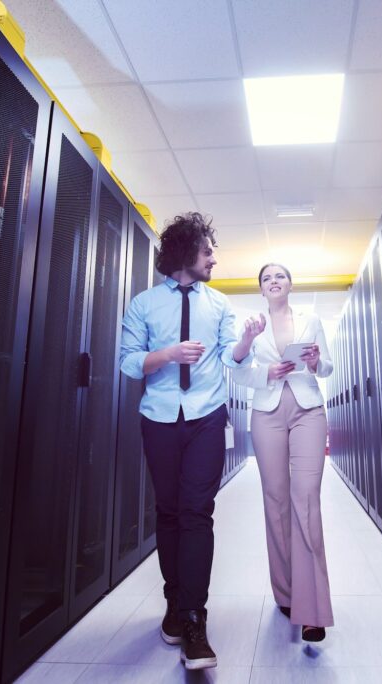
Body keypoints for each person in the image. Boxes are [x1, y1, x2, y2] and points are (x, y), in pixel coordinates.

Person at [119, 213, 264, 670]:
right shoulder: (143, 304)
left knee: (197, 511)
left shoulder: (219, 304)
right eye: (207, 251)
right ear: (185, 254)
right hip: (159, 417)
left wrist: (244, 342)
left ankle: (196, 620)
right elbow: (127, 363)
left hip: (206, 416)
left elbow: (232, 361)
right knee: (168, 510)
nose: (213, 258)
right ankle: (174, 603)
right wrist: (167, 355)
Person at [232, 263, 334, 642]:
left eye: (280, 276)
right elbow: (240, 373)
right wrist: (266, 372)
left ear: (291, 284)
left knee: (305, 499)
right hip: (267, 414)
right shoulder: (252, 326)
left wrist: (314, 362)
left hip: (308, 409)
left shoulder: (311, 318)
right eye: (266, 278)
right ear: (260, 289)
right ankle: (287, 593)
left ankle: (312, 610)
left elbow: (327, 366)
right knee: (275, 501)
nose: (273, 281)